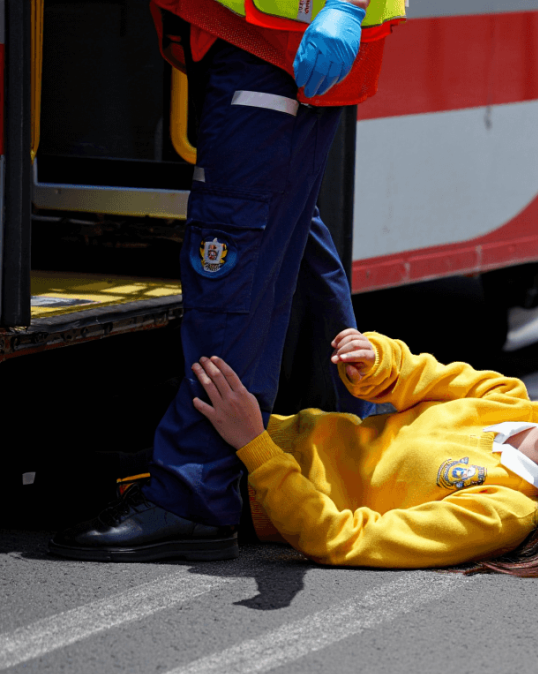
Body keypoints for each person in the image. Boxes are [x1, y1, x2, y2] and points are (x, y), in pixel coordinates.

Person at [48, 0, 405, 561]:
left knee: (231, 268)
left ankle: (192, 496)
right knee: (280, 240)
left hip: (276, 44)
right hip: (260, 40)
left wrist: (345, 6)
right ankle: (351, 441)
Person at [52, 328, 538, 573]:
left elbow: (345, 540)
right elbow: (415, 374)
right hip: (253, 427)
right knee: (72, 409)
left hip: (238, 489)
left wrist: (254, 448)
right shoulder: (508, 399)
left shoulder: (507, 512)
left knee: (55, 483)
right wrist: (374, 358)